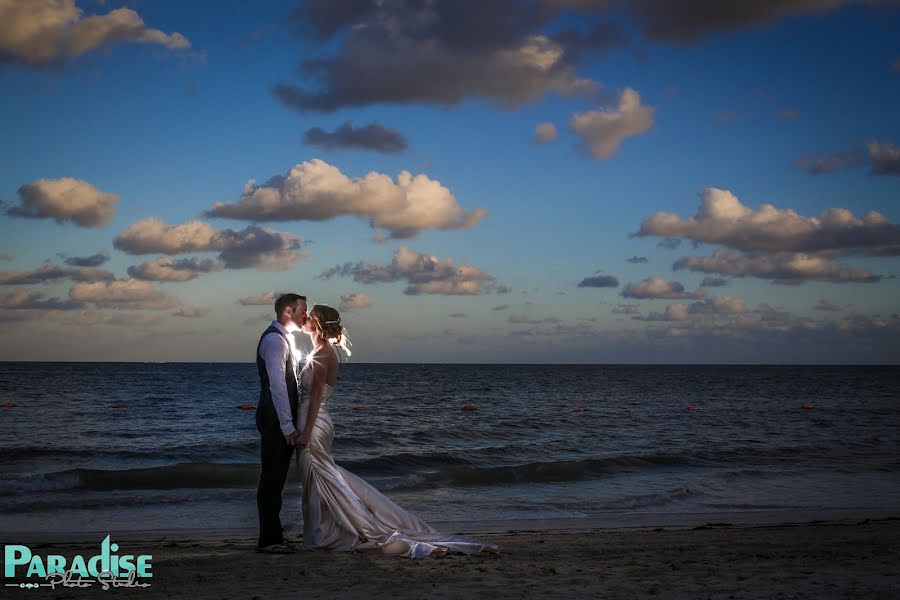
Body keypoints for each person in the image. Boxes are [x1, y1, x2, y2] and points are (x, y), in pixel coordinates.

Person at [294, 303, 501, 559]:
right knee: (323, 479)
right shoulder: (320, 350)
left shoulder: (324, 353)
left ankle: (340, 532)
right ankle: (324, 530)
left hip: (314, 423)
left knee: (321, 478)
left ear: (319, 324)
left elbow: (315, 396)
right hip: (313, 421)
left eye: (310, 317)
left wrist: (305, 432)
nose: (305, 320)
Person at [255, 293, 307, 554]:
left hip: (276, 418)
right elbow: (277, 385)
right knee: (272, 480)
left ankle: (273, 536)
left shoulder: (283, 339)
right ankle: (269, 541)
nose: (305, 316)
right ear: (288, 311)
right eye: (302, 311)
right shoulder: (275, 340)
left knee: (275, 479)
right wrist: (287, 425)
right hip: (275, 420)